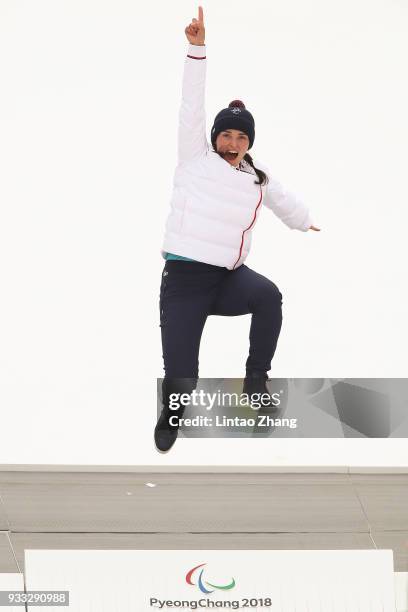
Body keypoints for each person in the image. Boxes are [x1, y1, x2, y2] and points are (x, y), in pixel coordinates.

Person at [155, 6, 320, 452]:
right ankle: (173, 408)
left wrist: (303, 221)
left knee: (268, 296)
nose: (232, 144)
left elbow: (280, 196)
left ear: (249, 143)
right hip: (186, 283)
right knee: (181, 372)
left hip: (227, 279)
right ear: (214, 137)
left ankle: (255, 383)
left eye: (241, 138)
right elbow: (192, 104)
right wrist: (196, 49)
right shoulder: (194, 157)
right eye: (226, 136)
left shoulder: (255, 172)